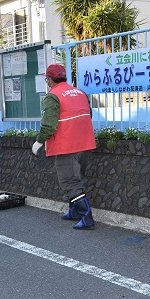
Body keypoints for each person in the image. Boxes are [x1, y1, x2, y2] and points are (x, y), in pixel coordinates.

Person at [32, 64, 97, 230]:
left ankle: (87, 217)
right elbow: (88, 113)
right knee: (78, 177)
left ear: (50, 80)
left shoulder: (53, 96)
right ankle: (74, 211)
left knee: (69, 181)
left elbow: (49, 124)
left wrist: (39, 142)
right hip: (85, 142)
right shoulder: (79, 92)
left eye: (46, 78)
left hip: (67, 145)